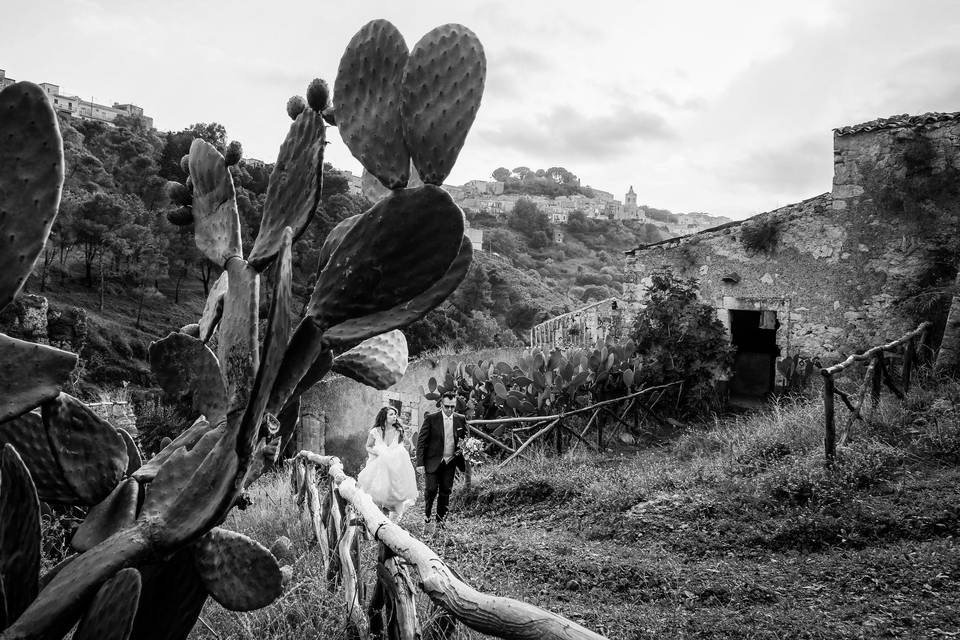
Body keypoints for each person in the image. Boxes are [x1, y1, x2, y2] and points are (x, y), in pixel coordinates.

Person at [357, 406, 418, 522]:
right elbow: (368, 446)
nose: (395, 416)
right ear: (384, 416)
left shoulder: (398, 430)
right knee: (376, 494)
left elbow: (402, 446)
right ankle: (376, 519)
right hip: (379, 466)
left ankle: (392, 522)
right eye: (391, 414)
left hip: (396, 466)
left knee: (395, 496)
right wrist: (377, 453)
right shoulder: (375, 431)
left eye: (395, 414)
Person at [416, 392, 466, 530]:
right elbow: (421, 441)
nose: (450, 410)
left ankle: (440, 522)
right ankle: (427, 516)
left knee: (445, 491)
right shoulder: (431, 419)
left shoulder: (461, 419)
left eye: (452, 407)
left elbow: (465, 441)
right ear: (441, 405)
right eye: (447, 407)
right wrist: (420, 463)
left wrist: (465, 452)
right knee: (431, 490)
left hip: (450, 461)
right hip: (432, 461)